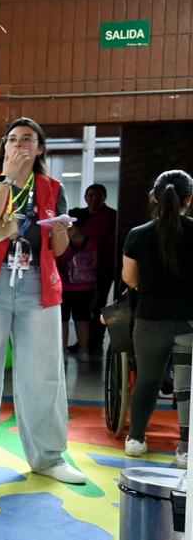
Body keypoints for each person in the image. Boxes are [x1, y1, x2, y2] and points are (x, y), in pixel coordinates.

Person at [0, 117, 85, 485]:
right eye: (13, 139)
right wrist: (6, 179)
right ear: (3, 146)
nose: (20, 145)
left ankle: (49, 457)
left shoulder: (51, 187)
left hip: (37, 286)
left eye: (28, 139)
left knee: (43, 373)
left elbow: (59, 249)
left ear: (39, 149)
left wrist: (59, 230)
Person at [121, 170, 192, 468]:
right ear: (189, 199)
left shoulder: (138, 235)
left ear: (154, 197)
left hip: (150, 319)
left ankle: (136, 439)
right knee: (186, 387)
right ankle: (185, 448)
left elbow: (130, 278)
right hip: (188, 320)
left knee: (148, 380)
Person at [72, 183, 118, 356]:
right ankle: (82, 342)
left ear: (104, 198)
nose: (94, 199)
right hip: (79, 273)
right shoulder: (80, 216)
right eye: (91, 195)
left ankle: (96, 343)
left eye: (98, 195)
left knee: (98, 306)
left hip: (103, 270)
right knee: (82, 308)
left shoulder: (113, 216)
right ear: (86, 197)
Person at [56, 217, 97, 357]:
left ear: (78, 227)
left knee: (63, 320)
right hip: (85, 288)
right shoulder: (90, 242)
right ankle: (84, 351)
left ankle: (62, 352)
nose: (68, 230)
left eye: (70, 228)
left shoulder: (64, 243)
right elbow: (95, 263)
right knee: (82, 319)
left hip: (65, 287)